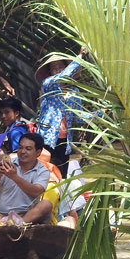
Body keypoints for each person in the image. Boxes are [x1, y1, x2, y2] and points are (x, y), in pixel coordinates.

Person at [35, 48, 99, 178]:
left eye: (61, 67)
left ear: (66, 67)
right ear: (50, 72)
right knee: (45, 174)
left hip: (64, 142)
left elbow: (79, 117)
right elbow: (63, 77)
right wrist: (80, 56)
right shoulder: (48, 84)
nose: (58, 70)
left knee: (61, 176)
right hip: (47, 139)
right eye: (54, 68)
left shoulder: (74, 91)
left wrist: (101, 114)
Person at [0, 133, 53, 228]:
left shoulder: (43, 171)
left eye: (28, 149)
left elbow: (37, 192)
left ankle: (15, 225)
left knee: (46, 204)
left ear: (38, 152)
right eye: (20, 147)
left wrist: (14, 177)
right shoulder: (7, 164)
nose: (22, 151)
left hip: (27, 216)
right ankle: (13, 226)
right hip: (1, 216)